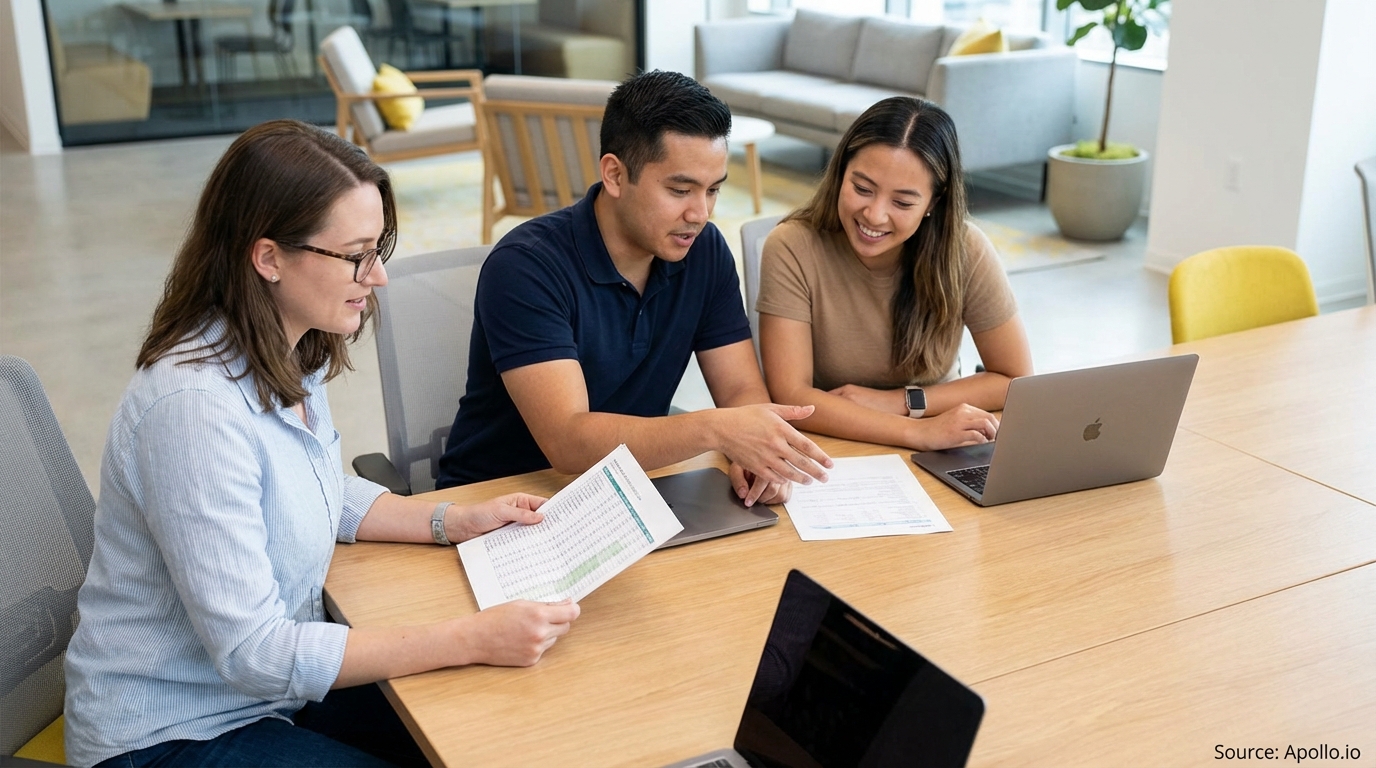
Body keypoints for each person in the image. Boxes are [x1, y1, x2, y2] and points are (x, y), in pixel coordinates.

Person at [63, 120, 580, 768]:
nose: (379, 276)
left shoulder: (291, 351)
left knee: (493, 729)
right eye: (357, 253)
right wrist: (470, 637)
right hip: (170, 733)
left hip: (266, 696)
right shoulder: (193, 410)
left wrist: (451, 519)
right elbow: (256, 653)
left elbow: (313, 487)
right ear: (269, 256)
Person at [436, 70, 832, 506]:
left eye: (713, 190)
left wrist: (754, 454)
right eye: (680, 189)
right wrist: (718, 429)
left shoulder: (703, 251)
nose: (700, 213)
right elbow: (567, 440)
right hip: (496, 502)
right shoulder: (525, 266)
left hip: (624, 497)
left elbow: (739, 390)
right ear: (615, 175)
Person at [756, 98, 1033, 451]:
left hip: (945, 435)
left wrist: (903, 402)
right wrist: (916, 433)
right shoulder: (793, 246)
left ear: (934, 203)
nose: (874, 215)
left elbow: (1016, 379)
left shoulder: (966, 250)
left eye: (902, 203)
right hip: (837, 441)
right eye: (862, 188)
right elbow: (792, 395)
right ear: (840, 172)